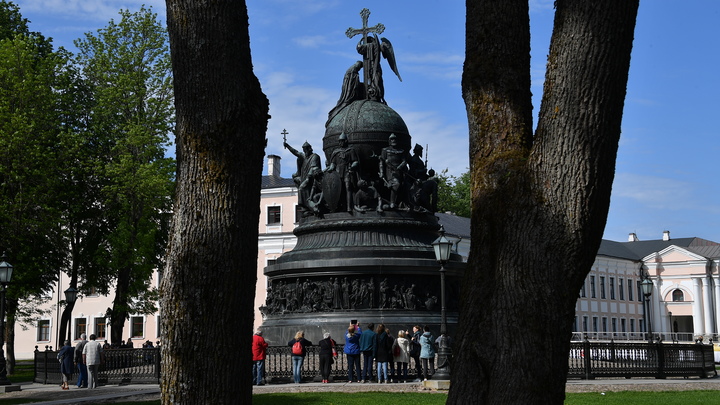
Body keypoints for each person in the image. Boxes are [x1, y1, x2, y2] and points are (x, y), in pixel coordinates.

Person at [284, 140, 321, 214]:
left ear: (309, 149)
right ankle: (305, 208)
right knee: (298, 182)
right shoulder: (304, 156)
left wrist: (308, 178)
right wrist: (287, 146)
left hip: (311, 179)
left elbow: (313, 168)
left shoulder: (315, 156)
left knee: (301, 188)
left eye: (306, 149)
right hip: (304, 177)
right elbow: (296, 152)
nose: (305, 151)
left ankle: (307, 207)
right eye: (304, 150)